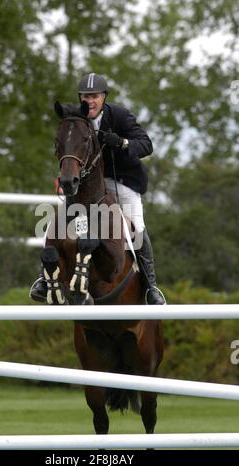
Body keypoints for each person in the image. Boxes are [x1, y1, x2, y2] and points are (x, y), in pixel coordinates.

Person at [30, 72, 165, 305]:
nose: (89, 101)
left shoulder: (119, 116)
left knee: (137, 226)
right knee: (59, 221)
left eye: (94, 96)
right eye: (85, 96)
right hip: (88, 184)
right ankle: (44, 278)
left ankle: (150, 286)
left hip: (122, 180)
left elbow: (147, 145)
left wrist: (123, 143)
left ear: (104, 97)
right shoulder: (75, 118)